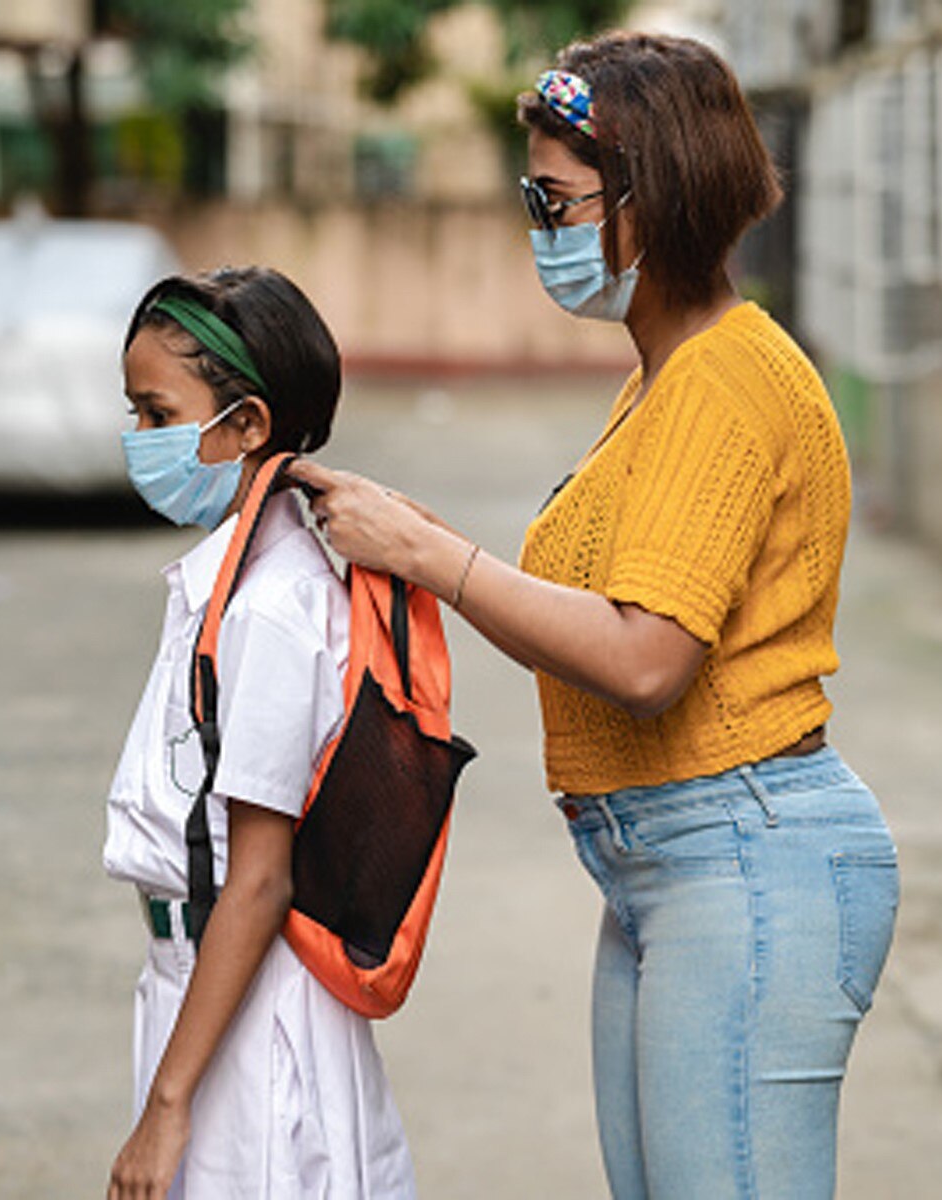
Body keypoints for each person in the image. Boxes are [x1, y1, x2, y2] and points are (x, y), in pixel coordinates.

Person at [291, 30, 899, 1200]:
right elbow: (592, 608)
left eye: (555, 201)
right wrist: (412, 537)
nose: (539, 228)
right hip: (664, 863)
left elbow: (644, 660)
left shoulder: (724, 381)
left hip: (742, 857)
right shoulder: (660, 380)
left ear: (649, 200)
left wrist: (431, 555)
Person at [103, 267, 415, 1199]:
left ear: (246, 427)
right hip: (203, 991)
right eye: (134, 412)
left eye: (159, 415)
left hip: (252, 1016)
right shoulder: (231, 587)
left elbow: (260, 877)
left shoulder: (273, 608)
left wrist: (167, 1106)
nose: (138, 441)